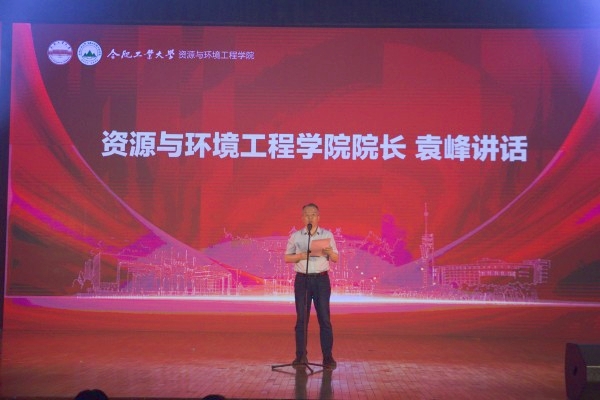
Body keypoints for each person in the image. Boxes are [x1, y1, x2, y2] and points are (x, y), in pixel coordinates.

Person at [285, 203, 339, 369]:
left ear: (318, 217)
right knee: (302, 319)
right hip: (303, 281)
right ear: (302, 218)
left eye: (313, 214)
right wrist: (300, 256)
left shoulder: (327, 235)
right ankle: (301, 356)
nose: (310, 217)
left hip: (321, 280)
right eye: (307, 215)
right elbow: (287, 257)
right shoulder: (296, 236)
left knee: (325, 319)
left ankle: (327, 357)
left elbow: (335, 258)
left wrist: (329, 252)